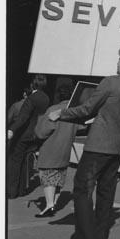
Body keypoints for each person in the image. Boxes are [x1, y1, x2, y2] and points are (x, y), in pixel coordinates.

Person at [51, 44, 120, 239]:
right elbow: (119, 113)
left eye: (118, 58)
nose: (117, 62)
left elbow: (86, 109)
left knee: (82, 189)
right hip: (118, 144)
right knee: (106, 190)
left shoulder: (110, 81)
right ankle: (99, 238)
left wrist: (61, 113)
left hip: (98, 144)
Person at [33, 82, 79, 217]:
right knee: (58, 178)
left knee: (47, 176)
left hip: (50, 148)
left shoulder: (54, 109)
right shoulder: (74, 111)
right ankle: (53, 204)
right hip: (65, 150)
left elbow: (41, 132)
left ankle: (49, 205)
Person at [7, 74, 50, 199]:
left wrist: (12, 129)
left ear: (33, 84)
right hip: (35, 134)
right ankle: (22, 190)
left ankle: (12, 192)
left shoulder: (31, 98)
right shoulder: (46, 98)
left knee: (15, 162)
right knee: (26, 162)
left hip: (24, 134)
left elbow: (23, 118)